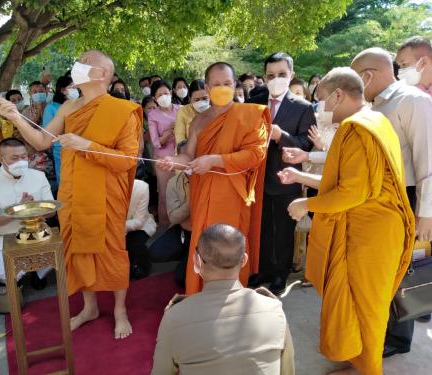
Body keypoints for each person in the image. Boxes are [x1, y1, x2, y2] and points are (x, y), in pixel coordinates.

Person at [0, 49, 142, 339]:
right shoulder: (67, 108)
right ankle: (89, 307)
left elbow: (128, 161)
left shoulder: (123, 110)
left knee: (112, 251)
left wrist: (86, 144)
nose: (78, 66)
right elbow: (40, 141)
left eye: (85, 63)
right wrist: (15, 117)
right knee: (77, 250)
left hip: (106, 194)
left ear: (101, 74)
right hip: (73, 193)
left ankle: (119, 309)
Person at [279, 67, 414, 375]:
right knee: (357, 303)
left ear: (338, 95)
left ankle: (368, 369)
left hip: (369, 234)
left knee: (368, 307)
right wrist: (302, 177)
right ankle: (357, 359)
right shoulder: (376, 119)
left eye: (321, 100)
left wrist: (306, 204)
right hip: (372, 228)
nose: (318, 109)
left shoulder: (357, 128)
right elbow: (346, 180)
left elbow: (352, 192)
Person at [159, 62, 269, 294]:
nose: (222, 88)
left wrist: (215, 160)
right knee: (205, 242)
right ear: (207, 88)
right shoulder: (199, 121)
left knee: (230, 244)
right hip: (203, 193)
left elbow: (255, 154)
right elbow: (189, 155)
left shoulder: (248, 114)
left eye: (227, 84)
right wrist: (173, 161)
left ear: (234, 85)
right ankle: (202, 293)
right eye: (216, 84)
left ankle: (233, 296)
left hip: (232, 193)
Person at [351, 47, 432, 358]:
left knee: (401, 272)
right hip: (377, 198)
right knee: (379, 271)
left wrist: (425, 214)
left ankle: (397, 338)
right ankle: (377, 329)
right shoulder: (374, 106)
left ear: (368, 76)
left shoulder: (412, 100)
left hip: (407, 197)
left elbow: (427, 161)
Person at [151, 224, 294, 375]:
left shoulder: (175, 317)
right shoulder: (273, 309)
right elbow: (288, 371)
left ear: (197, 262)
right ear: (244, 260)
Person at [247, 52, 315, 295]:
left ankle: (280, 273)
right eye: (271, 75)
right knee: (261, 228)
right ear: (264, 77)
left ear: (292, 75)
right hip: (256, 178)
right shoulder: (253, 102)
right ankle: (262, 269)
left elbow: (305, 145)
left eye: (282, 75)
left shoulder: (303, 108)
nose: (276, 79)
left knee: (284, 230)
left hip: (287, 177)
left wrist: (280, 135)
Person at [0, 138, 54, 288]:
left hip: (36, 231)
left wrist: (34, 208)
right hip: (3, 236)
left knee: (61, 254)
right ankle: (23, 272)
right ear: (1, 159)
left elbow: (51, 211)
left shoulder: (38, 176)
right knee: (5, 275)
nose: (21, 161)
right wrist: (16, 209)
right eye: (15, 158)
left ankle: (38, 273)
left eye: (24, 156)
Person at [149, 141, 192, 288]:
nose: (188, 163)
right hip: (183, 231)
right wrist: (192, 202)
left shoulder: (210, 179)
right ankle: (186, 255)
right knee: (156, 252)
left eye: (192, 157)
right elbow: (173, 217)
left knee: (182, 279)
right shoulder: (174, 183)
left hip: (204, 233)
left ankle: (191, 258)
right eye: (184, 158)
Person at [148, 80, 180, 227]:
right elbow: (156, 143)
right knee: (165, 194)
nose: (164, 96)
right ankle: (165, 226)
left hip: (182, 158)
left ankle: (183, 225)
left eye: (166, 93)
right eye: (159, 95)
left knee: (184, 192)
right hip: (163, 160)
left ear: (171, 93)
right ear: (154, 98)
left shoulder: (182, 109)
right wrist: (169, 132)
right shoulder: (153, 114)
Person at [43, 75, 78, 187]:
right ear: (63, 90)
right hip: (60, 148)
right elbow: (47, 131)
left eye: (77, 88)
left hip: (80, 147)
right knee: (65, 180)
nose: (76, 90)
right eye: (72, 87)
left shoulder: (80, 104)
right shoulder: (51, 107)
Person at [126, 179, 156, 280]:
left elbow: (139, 222)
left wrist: (115, 227)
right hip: (113, 228)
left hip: (141, 226)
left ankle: (144, 266)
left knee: (134, 244)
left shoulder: (140, 187)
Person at [174, 79, 209, 145]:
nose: (201, 102)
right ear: (190, 99)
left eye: (204, 98)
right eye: (197, 100)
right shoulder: (183, 111)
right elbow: (180, 139)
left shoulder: (216, 110)